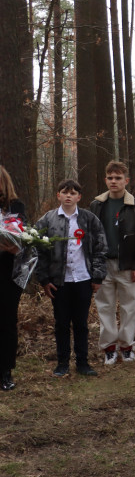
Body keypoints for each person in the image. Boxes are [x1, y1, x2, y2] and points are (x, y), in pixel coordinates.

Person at [35, 179, 108, 377]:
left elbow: (101, 248)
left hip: (83, 279)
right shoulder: (48, 219)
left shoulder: (89, 219)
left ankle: (83, 362)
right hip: (59, 281)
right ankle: (62, 363)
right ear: (58, 195)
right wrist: (44, 279)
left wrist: (98, 277)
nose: (69, 196)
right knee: (61, 323)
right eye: (64, 192)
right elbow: (38, 250)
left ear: (79, 197)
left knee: (81, 323)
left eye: (73, 193)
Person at [89, 161, 135, 364]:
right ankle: (109, 347)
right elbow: (91, 237)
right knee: (105, 306)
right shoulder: (96, 205)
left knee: (129, 306)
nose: (114, 181)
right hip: (103, 264)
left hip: (127, 264)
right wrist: (93, 265)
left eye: (118, 178)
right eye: (110, 178)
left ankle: (126, 346)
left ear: (126, 180)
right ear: (105, 179)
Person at [0, 166, 26, 389]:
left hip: (8, 273)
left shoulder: (16, 206)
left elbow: (24, 236)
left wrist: (15, 246)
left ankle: (6, 372)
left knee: (7, 322)